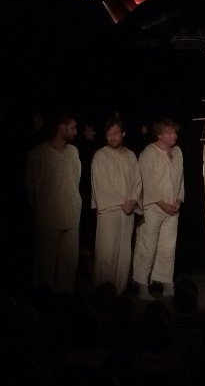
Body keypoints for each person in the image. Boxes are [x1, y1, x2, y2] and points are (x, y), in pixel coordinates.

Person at [24, 113, 81, 293]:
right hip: (48, 219)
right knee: (45, 266)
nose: (76, 132)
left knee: (68, 266)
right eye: (72, 128)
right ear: (61, 127)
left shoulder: (73, 152)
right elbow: (31, 187)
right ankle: (43, 301)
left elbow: (76, 181)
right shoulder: (39, 153)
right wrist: (40, 211)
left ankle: (64, 300)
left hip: (71, 218)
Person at [132, 118, 184, 299]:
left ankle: (165, 281)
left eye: (174, 132)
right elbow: (148, 183)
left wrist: (178, 200)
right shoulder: (148, 153)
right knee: (147, 246)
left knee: (168, 247)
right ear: (159, 134)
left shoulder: (177, 152)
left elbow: (180, 179)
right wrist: (162, 204)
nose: (173, 136)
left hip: (172, 209)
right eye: (169, 133)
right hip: (153, 208)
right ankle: (141, 283)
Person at [90, 116, 142, 295]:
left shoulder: (130, 155)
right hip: (109, 211)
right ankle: (104, 293)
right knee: (107, 253)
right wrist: (123, 202)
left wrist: (133, 200)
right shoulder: (100, 156)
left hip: (127, 212)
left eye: (116, 133)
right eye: (109, 134)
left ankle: (119, 292)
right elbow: (101, 185)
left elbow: (138, 181)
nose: (112, 137)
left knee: (124, 253)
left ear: (123, 134)